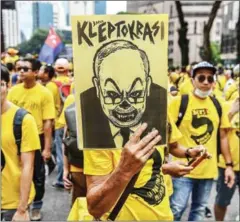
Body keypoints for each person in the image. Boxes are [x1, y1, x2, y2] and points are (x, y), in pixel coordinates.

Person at [83, 117, 205, 221]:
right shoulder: (99, 128)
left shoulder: (161, 111)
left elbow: (169, 149)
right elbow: (95, 208)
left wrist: (185, 154)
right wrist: (124, 170)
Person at [169, 61, 235, 221]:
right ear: (192, 80)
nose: (206, 82)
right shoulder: (178, 102)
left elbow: (223, 136)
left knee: (198, 211)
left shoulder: (217, 104)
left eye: (210, 79)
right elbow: (168, 135)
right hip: (182, 168)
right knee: (176, 210)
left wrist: (228, 166)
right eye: (201, 78)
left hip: (208, 170)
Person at [80, 40, 167, 148]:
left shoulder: (161, 110)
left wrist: (187, 152)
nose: (124, 104)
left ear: (147, 85)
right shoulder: (83, 119)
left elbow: (172, 146)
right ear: (98, 87)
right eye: (113, 95)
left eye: (135, 94)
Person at [7, 58, 55, 221]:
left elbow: (48, 122)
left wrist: (47, 148)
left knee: (38, 175)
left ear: (35, 72)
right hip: (15, 138)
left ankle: (36, 205)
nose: (20, 71)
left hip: (38, 138)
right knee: (16, 171)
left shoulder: (44, 93)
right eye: (18, 68)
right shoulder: (13, 91)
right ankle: (19, 203)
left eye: (25, 69)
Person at [1, 66, 40, 221]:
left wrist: (22, 209)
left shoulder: (23, 120)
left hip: (12, 204)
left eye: (0, 84)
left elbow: (27, 166)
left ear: (8, 85)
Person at [38, 64, 64, 188]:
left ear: (47, 73)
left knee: (59, 151)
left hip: (56, 122)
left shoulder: (49, 87)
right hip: (59, 120)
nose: (39, 72)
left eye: (41, 70)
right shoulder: (56, 84)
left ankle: (60, 179)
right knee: (56, 149)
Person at [214, 97, 239, 221]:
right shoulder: (226, 106)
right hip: (228, 166)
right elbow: (218, 132)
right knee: (222, 201)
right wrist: (232, 112)